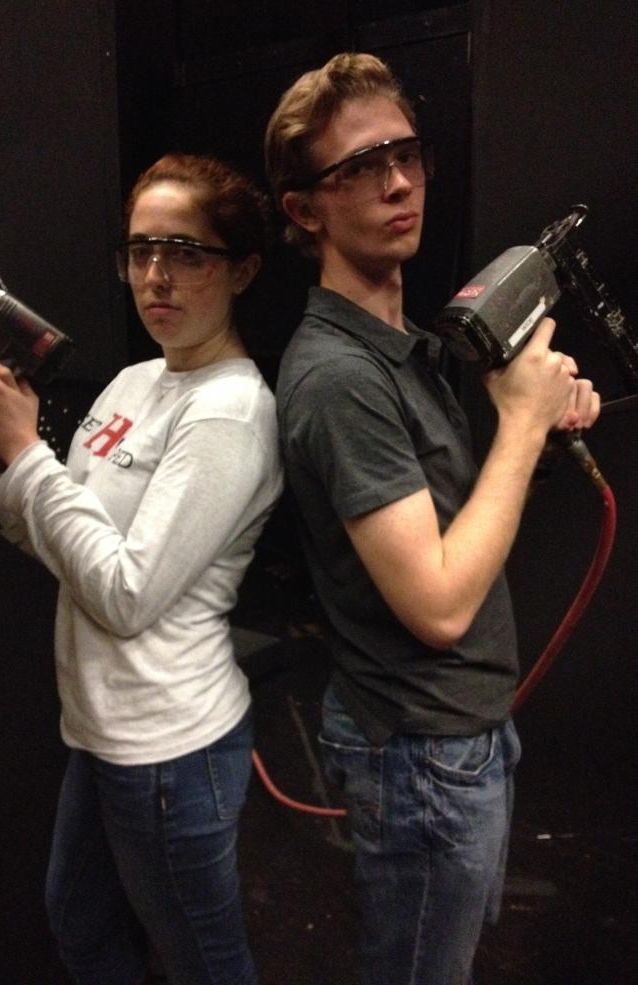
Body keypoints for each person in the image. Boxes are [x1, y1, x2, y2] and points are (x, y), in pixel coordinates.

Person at [264, 52, 600, 985]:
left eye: (405, 153)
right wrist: (522, 423)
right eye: (359, 167)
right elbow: (440, 603)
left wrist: (528, 427)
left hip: (460, 735)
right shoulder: (339, 378)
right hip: (420, 758)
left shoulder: (405, 349)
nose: (398, 180)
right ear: (304, 209)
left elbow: (461, 523)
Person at [0, 153, 283, 985]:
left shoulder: (231, 411)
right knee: (81, 923)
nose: (156, 275)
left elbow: (125, 595)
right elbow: (54, 539)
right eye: (139, 251)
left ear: (240, 269)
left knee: (206, 962)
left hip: (169, 744)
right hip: (102, 733)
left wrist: (27, 449)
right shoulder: (136, 382)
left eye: (186, 252)